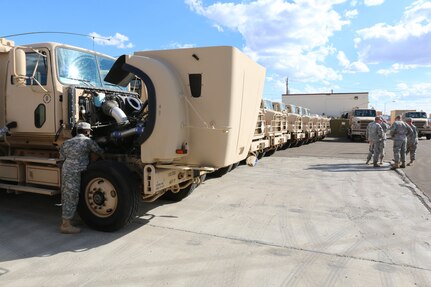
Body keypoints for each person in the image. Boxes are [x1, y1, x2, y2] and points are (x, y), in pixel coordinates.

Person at [59, 122, 104, 234]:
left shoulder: (67, 142)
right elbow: (100, 151)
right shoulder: (88, 141)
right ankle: (65, 225)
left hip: (66, 170)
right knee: (72, 196)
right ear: (87, 131)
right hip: (74, 172)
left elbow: (62, 156)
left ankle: (71, 219)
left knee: (67, 195)